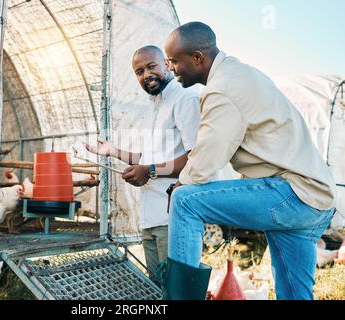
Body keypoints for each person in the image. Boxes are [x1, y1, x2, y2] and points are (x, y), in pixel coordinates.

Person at [160, 22, 337, 300]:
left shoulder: (222, 89)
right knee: (293, 294)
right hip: (315, 198)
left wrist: (179, 185)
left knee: (185, 200)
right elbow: (261, 150)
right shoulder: (242, 73)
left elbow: (207, 159)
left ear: (197, 57)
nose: (169, 67)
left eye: (173, 61)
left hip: (291, 194)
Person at [85, 45, 200, 284]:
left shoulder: (185, 99)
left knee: (177, 290)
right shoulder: (154, 106)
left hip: (174, 218)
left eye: (151, 66)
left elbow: (197, 158)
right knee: (158, 288)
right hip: (150, 218)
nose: (145, 75)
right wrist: (112, 151)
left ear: (167, 65)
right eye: (139, 71)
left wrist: (149, 171)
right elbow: (149, 160)